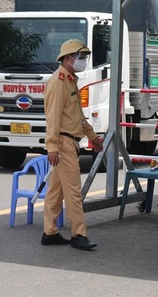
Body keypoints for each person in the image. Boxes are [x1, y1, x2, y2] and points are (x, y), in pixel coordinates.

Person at [41, 39, 103, 250]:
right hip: (64, 142)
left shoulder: (69, 80)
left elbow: (78, 117)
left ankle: (50, 232)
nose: (83, 61)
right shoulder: (58, 82)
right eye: (81, 57)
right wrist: (53, 147)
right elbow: (53, 118)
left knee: (56, 191)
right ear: (68, 58)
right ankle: (79, 234)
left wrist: (92, 136)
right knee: (74, 193)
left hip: (69, 141)